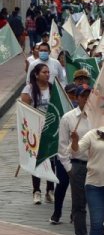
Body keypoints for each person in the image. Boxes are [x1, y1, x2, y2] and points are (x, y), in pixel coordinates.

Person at [51, 82, 90, 228]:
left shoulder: (98, 117)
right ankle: (58, 212)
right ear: (77, 98)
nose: (86, 100)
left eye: (89, 96)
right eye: (83, 96)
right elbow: (62, 145)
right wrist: (69, 168)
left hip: (93, 165)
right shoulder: (68, 118)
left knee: (85, 198)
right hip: (74, 163)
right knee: (63, 186)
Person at [21, 61, 55, 206]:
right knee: (36, 161)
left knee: (51, 160)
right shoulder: (29, 89)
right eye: (44, 72)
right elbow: (24, 110)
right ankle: (36, 191)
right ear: (36, 74)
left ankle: (50, 190)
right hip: (35, 131)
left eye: (48, 72)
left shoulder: (53, 88)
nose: (47, 75)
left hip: (50, 130)